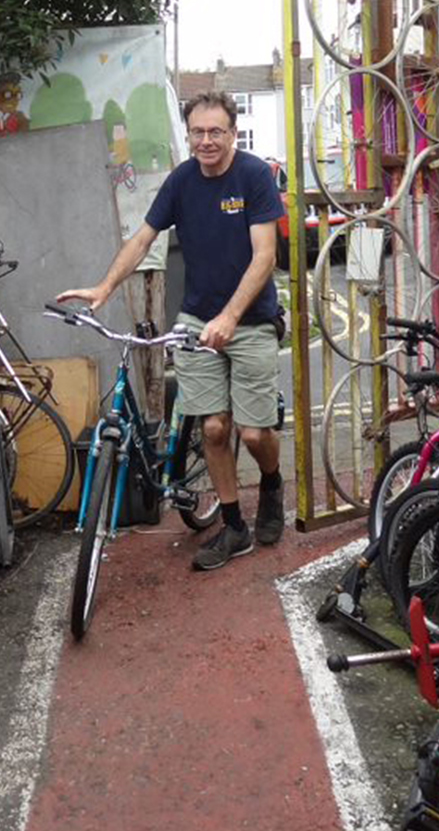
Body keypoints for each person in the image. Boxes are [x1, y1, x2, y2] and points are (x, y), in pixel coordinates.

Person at [57, 90, 286, 570]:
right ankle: (233, 526)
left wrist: (229, 317)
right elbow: (142, 239)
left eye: (216, 132)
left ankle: (270, 483)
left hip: (251, 321)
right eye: (198, 132)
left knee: (252, 433)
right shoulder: (181, 181)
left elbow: (265, 255)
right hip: (198, 319)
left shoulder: (254, 176)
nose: (207, 141)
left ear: (231, 132)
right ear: (189, 134)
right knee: (214, 427)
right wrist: (104, 287)